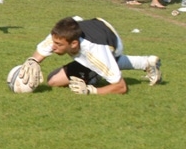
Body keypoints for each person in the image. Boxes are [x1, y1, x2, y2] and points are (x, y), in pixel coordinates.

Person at [17, 16, 161, 95]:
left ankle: (95, 75)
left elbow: (121, 87)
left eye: (58, 45)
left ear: (74, 44)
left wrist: (91, 91)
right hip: (96, 26)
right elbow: (40, 53)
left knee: (55, 81)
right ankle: (146, 62)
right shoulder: (60, 35)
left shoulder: (95, 53)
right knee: (52, 80)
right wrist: (32, 61)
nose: (53, 46)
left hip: (111, 43)